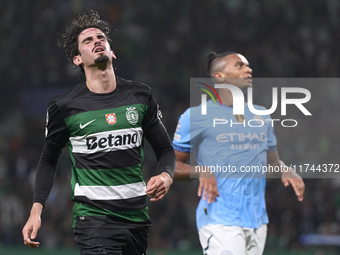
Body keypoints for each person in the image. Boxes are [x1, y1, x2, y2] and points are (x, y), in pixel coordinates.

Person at [22, 10, 175, 255]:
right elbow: (49, 158)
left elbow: (165, 149)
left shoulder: (141, 95)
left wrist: (166, 176)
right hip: (94, 221)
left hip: (137, 219)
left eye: (101, 38)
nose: (97, 41)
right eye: (88, 40)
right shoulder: (64, 106)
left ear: (112, 52)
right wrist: (36, 210)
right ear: (77, 59)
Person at [172, 51, 305, 255]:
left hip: (257, 220)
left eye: (248, 65)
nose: (248, 69)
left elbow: (273, 161)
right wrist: (202, 171)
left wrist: (286, 170)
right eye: (239, 65)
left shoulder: (262, 115)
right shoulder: (195, 116)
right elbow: (172, 167)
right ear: (219, 76)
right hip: (218, 219)